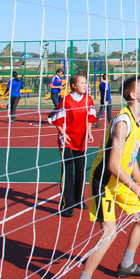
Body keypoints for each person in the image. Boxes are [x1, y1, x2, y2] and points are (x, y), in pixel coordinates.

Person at [70, 76, 140, 279]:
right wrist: (138, 190)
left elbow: (131, 156)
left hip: (121, 179)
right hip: (104, 182)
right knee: (109, 234)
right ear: (133, 95)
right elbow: (113, 165)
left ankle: (126, 265)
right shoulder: (122, 122)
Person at [48, 72, 97, 217]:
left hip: (81, 140)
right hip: (67, 141)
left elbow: (90, 117)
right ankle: (66, 205)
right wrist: (63, 133)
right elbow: (57, 120)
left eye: (86, 82)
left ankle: (78, 200)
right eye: (82, 83)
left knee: (81, 170)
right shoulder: (66, 101)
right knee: (68, 171)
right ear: (74, 85)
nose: (85, 85)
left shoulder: (88, 100)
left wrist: (89, 132)